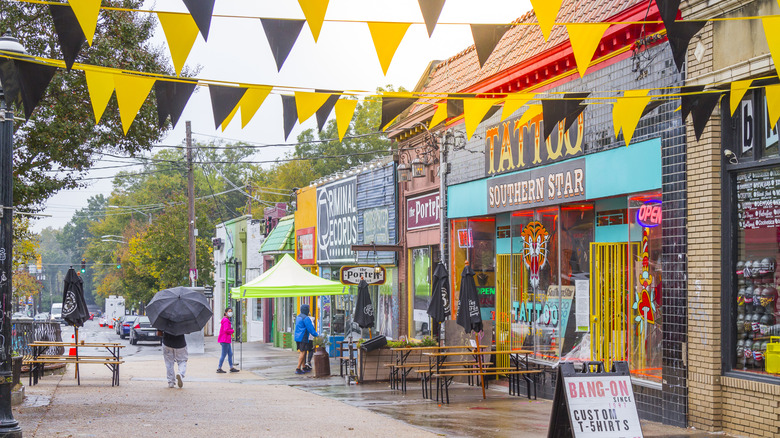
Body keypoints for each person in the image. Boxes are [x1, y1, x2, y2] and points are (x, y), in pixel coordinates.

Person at [294, 304, 318, 375]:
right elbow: (310, 328)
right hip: (303, 337)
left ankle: (304, 367)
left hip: (297, 337)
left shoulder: (298, 317)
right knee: (303, 352)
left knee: (303, 351)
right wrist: (317, 335)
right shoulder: (306, 318)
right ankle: (298, 368)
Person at [217, 308, 239, 374]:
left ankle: (231, 367)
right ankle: (219, 368)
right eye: (229, 311)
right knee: (223, 354)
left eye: (231, 311)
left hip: (226, 339)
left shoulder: (226, 320)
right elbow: (226, 330)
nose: (230, 313)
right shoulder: (226, 320)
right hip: (224, 340)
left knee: (230, 354)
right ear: (226, 313)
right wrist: (232, 331)